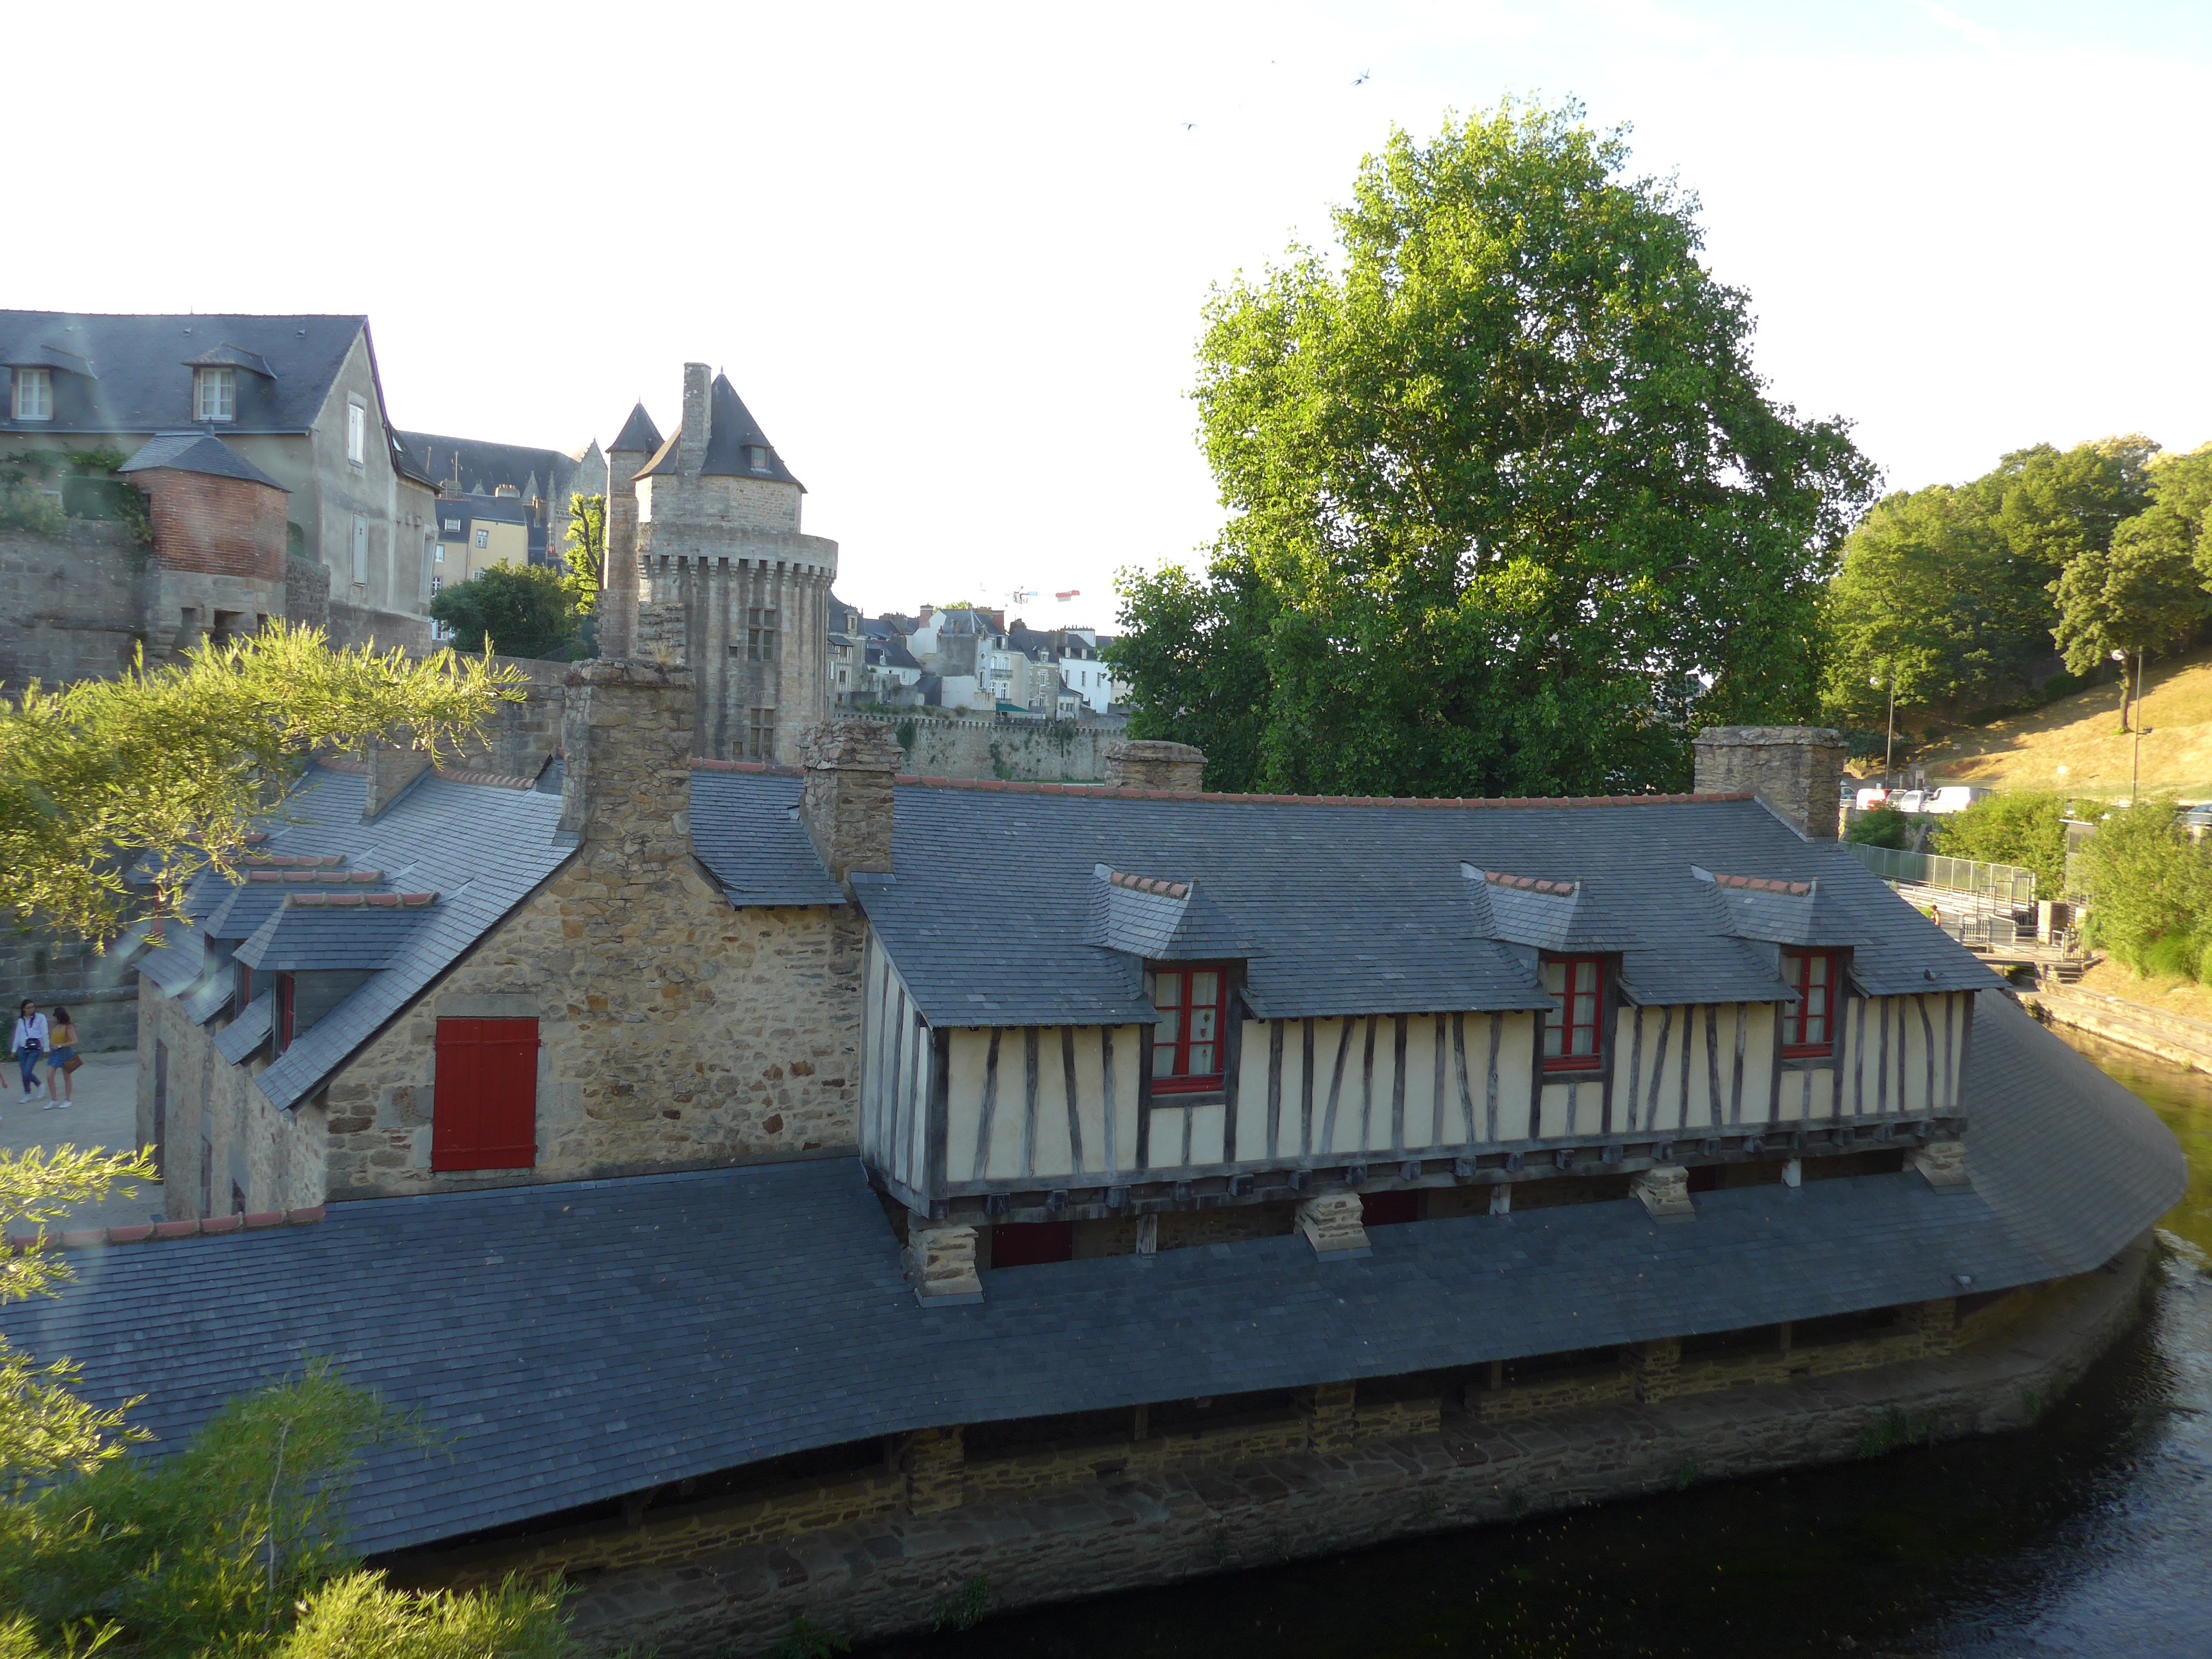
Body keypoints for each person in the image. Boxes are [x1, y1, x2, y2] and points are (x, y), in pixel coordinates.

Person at [10, 999, 46, 1104]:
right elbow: (17, 1036)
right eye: (29, 1008)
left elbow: (44, 1033)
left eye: (33, 1007)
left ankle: (39, 1085)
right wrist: (14, 1050)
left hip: (35, 1047)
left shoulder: (40, 1018)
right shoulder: (21, 1020)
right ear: (23, 1009)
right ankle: (27, 1093)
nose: (31, 1010)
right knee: (24, 1072)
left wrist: (46, 1048)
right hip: (23, 1047)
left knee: (27, 1071)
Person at [43, 1005, 76, 1108]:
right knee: (49, 1076)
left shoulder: (69, 1027)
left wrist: (60, 1045)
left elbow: (74, 1041)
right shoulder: (56, 1026)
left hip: (66, 1053)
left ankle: (68, 1099)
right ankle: (54, 1099)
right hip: (55, 1053)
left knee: (67, 1077)